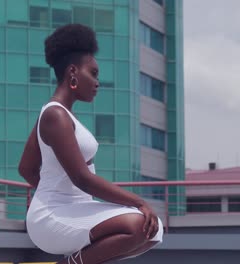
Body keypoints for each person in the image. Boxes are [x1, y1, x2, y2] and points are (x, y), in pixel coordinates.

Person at [18, 24, 163, 264]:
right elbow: (82, 178)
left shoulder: (57, 114)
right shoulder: (56, 116)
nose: (97, 82)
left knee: (153, 230)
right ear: (72, 73)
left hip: (74, 208)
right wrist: (139, 202)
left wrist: (65, 192)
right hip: (52, 215)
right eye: (93, 73)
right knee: (138, 223)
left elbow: (25, 168)